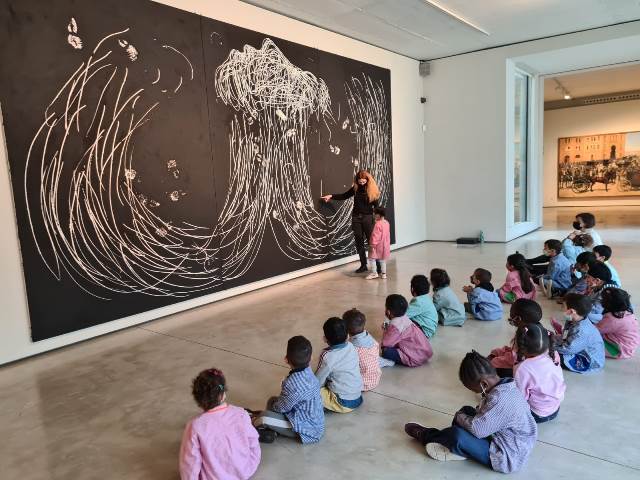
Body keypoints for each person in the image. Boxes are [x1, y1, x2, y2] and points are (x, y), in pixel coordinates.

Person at [404, 351, 537, 473]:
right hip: (506, 438)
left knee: (457, 434)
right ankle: (458, 448)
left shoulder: (500, 400)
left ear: (483, 384)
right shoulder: (507, 385)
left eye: (474, 390)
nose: (476, 393)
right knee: (466, 410)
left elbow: (478, 430)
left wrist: (459, 416)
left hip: (507, 456)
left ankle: (428, 435)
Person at [180, 368, 261, 480]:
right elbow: (253, 442)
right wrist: (250, 464)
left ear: (198, 400)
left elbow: (190, 463)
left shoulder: (195, 426)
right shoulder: (241, 413)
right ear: (223, 395)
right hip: (244, 471)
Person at [252, 336, 324, 444]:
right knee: (272, 400)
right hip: (312, 421)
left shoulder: (291, 383)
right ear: (311, 358)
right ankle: (272, 430)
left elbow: (282, 407)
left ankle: (253, 427)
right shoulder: (309, 373)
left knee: (264, 417)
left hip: (303, 429)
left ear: (286, 360)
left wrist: (283, 390)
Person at [321, 170, 381, 273]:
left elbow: (376, 207)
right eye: (360, 182)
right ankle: (363, 265)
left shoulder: (372, 190)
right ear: (357, 181)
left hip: (367, 218)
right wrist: (331, 196)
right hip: (356, 218)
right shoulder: (355, 189)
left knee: (372, 242)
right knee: (359, 242)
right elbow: (344, 196)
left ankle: (378, 266)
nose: (361, 184)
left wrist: (378, 220)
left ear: (367, 180)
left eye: (363, 182)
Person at [513, 324, 565, 424]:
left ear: (519, 344)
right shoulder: (553, 354)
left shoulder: (522, 368)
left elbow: (521, 398)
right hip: (555, 409)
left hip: (536, 414)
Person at [315, 317, 363, 412]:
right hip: (357, 397)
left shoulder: (327, 356)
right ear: (347, 336)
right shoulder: (351, 346)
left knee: (308, 391)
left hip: (342, 402)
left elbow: (317, 381)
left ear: (325, 339)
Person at [488, 299, 543, 378]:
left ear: (518, 319)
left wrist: (492, 362)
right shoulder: (539, 330)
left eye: (511, 313)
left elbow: (513, 359)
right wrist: (498, 352)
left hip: (528, 372)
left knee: (495, 369)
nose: (510, 317)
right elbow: (514, 351)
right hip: (536, 368)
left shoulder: (526, 336)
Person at [551, 294, 605, 374]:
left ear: (571, 311)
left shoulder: (582, 330)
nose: (561, 308)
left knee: (549, 355)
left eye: (563, 306)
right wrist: (556, 338)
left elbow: (568, 349)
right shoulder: (572, 319)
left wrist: (550, 347)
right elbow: (566, 335)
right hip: (576, 348)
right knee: (551, 341)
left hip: (588, 359)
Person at [380, 294, 433, 367]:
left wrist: (386, 330)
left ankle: (398, 360)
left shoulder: (394, 325)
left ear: (388, 312)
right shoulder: (405, 318)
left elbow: (386, 343)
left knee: (386, 351)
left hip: (415, 358)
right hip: (425, 352)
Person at [343, 308, 382, 390]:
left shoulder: (352, 349)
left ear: (346, 330)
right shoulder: (373, 341)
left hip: (361, 384)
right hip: (375, 379)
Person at [596, 287, 639, 359]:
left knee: (588, 343)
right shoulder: (626, 312)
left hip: (620, 349)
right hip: (630, 345)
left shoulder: (612, 320)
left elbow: (596, 330)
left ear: (607, 304)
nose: (601, 301)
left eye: (603, 299)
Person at [366, 207, 391, 280]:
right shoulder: (386, 223)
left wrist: (372, 245)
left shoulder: (378, 224)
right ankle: (384, 274)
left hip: (377, 245)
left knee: (372, 258)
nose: (374, 215)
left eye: (375, 214)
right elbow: (387, 234)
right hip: (385, 245)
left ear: (379, 215)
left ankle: (374, 273)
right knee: (383, 260)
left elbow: (375, 236)